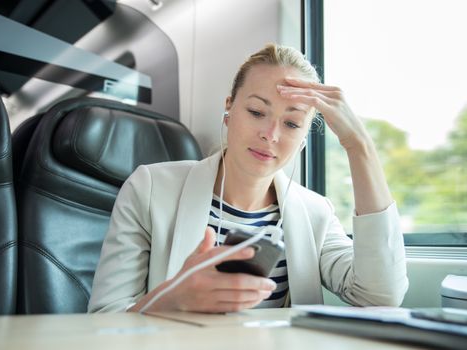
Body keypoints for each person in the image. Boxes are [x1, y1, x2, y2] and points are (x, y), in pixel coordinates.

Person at [88, 43, 408, 314]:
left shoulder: (316, 214)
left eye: (292, 124)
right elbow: (104, 320)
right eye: (256, 112)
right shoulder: (149, 189)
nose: (270, 135)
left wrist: (359, 146)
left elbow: (379, 298)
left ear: (304, 139)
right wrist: (172, 300)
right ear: (229, 109)